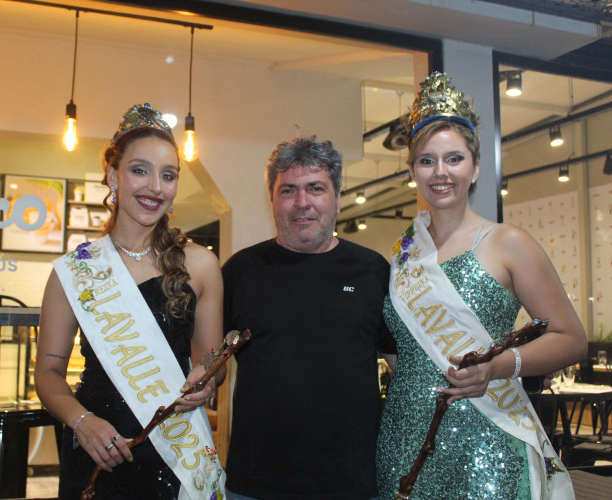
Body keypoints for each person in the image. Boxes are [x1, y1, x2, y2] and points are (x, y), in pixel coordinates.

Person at [375, 73, 587, 499]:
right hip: (403, 441)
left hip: (488, 441)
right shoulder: (403, 254)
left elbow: (572, 339)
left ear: (474, 168)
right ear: (412, 171)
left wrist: (498, 367)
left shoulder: (508, 242)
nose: (440, 172)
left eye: (454, 158)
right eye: (427, 160)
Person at [35, 103, 226, 500]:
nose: (156, 187)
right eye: (140, 170)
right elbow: (48, 373)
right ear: (113, 176)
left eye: (168, 175)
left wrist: (208, 378)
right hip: (99, 447)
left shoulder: (201, 265)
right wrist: (82, 422)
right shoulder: (75, 271)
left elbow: (213, 360)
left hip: (176, 450)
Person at [222, 135, 396, 499]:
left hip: (354, 484)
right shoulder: (240, 271)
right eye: (288, 190)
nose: (302, 203)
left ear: (337, 197)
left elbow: (402, 366)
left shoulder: (373, 271)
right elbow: (209, 360)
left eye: (316, 188)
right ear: (272, 198)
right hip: (257, 485)